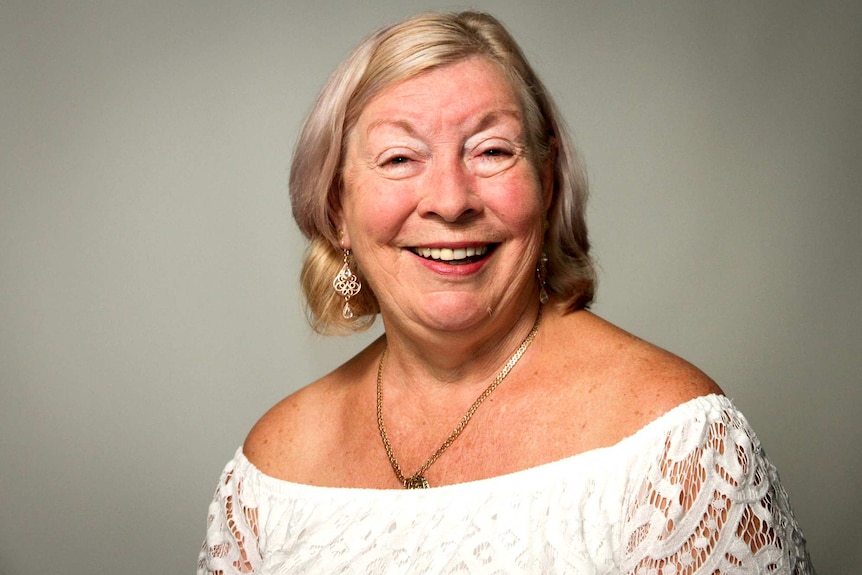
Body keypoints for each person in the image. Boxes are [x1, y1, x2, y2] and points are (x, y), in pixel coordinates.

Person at [198, 11, 814, 574]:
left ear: (546, 185)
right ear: (337, 208)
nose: (450, 200)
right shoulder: (274, 467)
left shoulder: (674, 446)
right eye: (398, 158)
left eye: (491, 151)